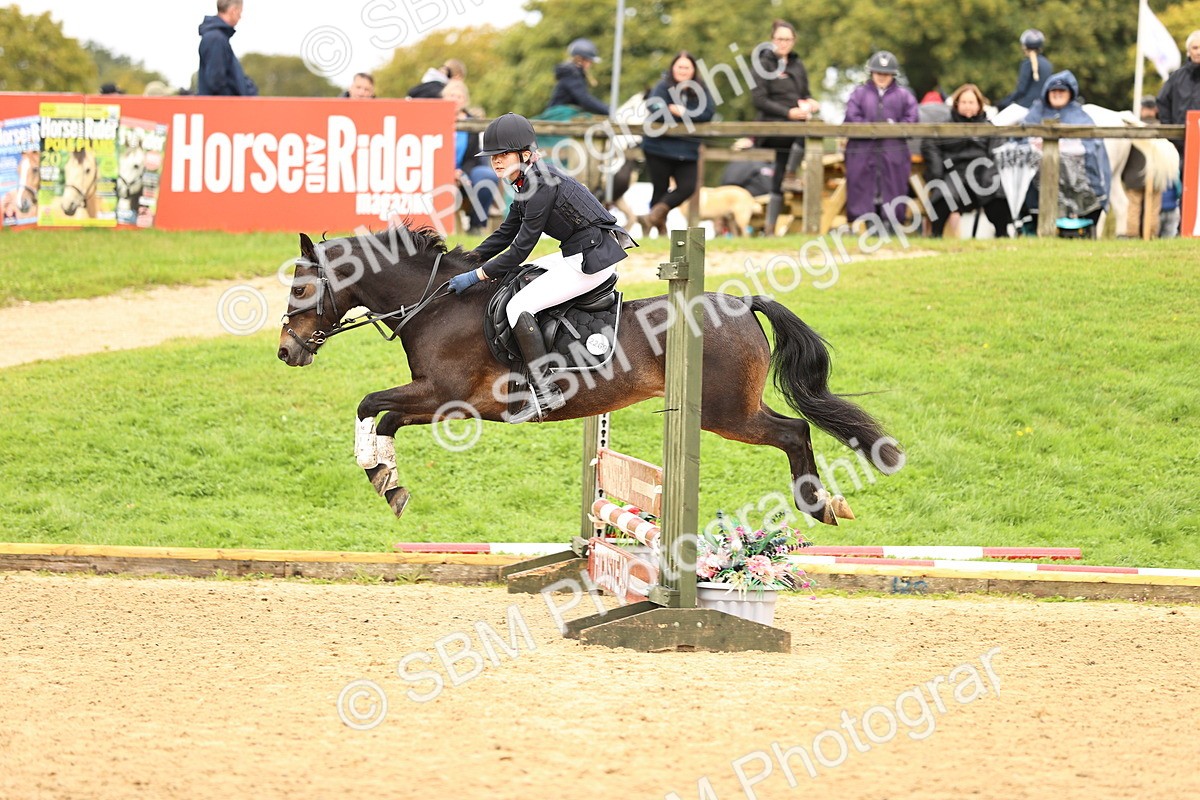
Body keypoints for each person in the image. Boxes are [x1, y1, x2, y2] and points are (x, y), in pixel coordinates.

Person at [446, 114, 635, 424]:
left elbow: (520, 248)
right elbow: (505, 233)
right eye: (493, 157)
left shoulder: (540, 185)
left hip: (592, 260)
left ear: (524, 153)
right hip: (578, 250)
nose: (496, 162)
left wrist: (476, 275)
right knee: (520, 278)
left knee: (519, 306)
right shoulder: (525, 181)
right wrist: (469, 258)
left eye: (502, 155)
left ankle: (547, 391)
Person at [750, 20, 820, 236]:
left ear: (793, 41)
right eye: (780, 39)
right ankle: (791, 174)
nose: (783, 43)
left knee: (777, 179)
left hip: (796, 125)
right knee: (803, 132)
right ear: (772, 40)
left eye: (787, 39)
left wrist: (811, 103)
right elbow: (758, 99)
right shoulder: (763, 64)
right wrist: (788, 113)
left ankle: (770, 230)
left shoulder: (798, 65)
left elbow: (804, 93)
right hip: (772, 126)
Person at [637, 51, 715, 236]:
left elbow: (708, 113)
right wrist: (677, 113)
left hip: (687, 149)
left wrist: (683, 112)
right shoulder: (663, 86)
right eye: (680, 66)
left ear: (693, 70)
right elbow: (654, 107)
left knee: (687, 187)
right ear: (673, 68)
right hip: (658, 147)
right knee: (660, 189)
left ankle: (651, 218)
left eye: (687, 67)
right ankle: (659, 230)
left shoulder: (701, 89)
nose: (683, 70)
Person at [1022, 70, 1111, 232]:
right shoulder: (1035, 113)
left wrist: (1067, 148)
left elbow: (1092, 146)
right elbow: (1022, 141)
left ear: (1070, 93)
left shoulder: (1080, 117)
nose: (1057, 94)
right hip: (1039, 179)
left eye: (1061, 91)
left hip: (1075, 180)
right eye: (1054, 91)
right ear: (1047, 93)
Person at [921, 83, 1012, 237]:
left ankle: (1002, 234)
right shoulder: (945, 126)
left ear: (979, 105)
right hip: (954, 171)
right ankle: (935, 235)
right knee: (943, 194)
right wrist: (937, 170)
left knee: (997, 193)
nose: (967, 106)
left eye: (971, 102)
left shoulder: (990, 128)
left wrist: (990, 173)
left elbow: (997, 151)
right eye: (964, 102)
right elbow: (929, 144)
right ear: (957, 104)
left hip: (983, 173)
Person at [843, 51, 919, 225]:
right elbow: (852, 116)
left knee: (894, 185)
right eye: (878, 73)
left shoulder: (904, 95)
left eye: (886, 73)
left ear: (892, 74)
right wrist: (872, 128)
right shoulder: (858, 94)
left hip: (893, 152)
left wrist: (893, 128)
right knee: (861, 185)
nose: (882, 77)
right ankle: (864, 223)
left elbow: (912, 119)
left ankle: (892, 223)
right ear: (872, 73)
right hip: (862, 151)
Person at [441, 79, 499, 235]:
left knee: (487, 176)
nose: (454, 99)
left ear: (465, 100)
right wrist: (448, 172)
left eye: (458, 96)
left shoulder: (472, 123)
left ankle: (476, 225)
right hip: (438, 172)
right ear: (444, 97)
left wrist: (461, 173)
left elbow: (473, 157)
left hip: (466, 170)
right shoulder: (435, 119)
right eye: (451, 95)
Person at [1156, 30, 1200, 165]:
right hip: (1179, 146)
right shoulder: (1176, 78)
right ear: (1188, 51)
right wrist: (1172, 135)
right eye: (1195, 47)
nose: (1199, 52)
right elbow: (1162, 102)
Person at [197, 0, 257, 96]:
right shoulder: (216, 39)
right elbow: (216, 81)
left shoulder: (217, 37)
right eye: (239, 12)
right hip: (221, 108)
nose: (240, 17)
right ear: (233, 11)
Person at [546, 39, 610, 115]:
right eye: (589, 61)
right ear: (579, 59)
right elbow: (585, 100)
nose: (590, 64)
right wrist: (610, 111)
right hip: (558, 115)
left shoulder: (575, 73)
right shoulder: (571, 74)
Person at [998, 29, 1051, 110]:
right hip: (1043, 107)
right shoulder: (1047, 64)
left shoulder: (1027, 63)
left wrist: (1003, 103)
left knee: (995, 121)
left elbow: (1021, 90)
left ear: (1024, 46)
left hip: (1026, 107)